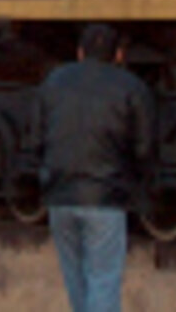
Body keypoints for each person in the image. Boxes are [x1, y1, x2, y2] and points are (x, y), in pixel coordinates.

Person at [34, 23, 155, 312]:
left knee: (77, 284)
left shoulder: (53, 82)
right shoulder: (131, 87)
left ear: (79, 52)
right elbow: (144, 148)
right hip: (105, 198)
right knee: (103, 281)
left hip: (60, 196)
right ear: (118, 55)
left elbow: (36, 139)